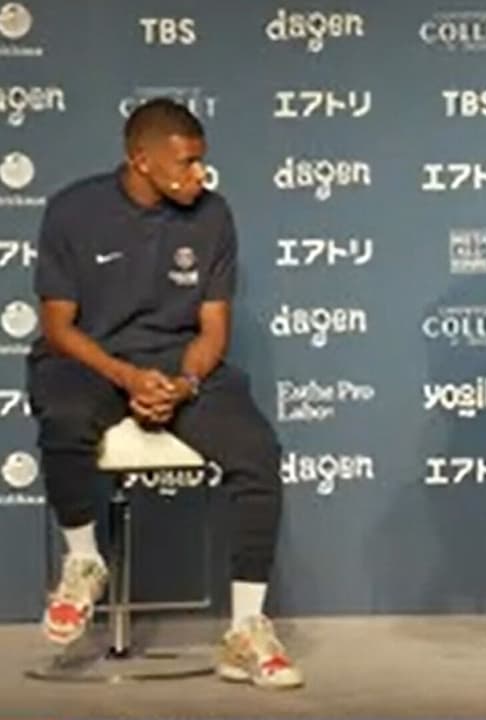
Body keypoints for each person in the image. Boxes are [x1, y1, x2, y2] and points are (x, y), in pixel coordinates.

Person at [26, 98, 303, 690]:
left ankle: (246, 630)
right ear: (141, 160)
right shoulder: (73, 210)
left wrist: (184, 384)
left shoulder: (214, 216)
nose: (199, 174)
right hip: (92, 358)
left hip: (178, 363)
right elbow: (58, 327)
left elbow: (213, 330)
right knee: (63, 413)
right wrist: (127, 378)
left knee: (257, 454)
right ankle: (83, 560)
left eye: (202, 161)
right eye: (186, 163)